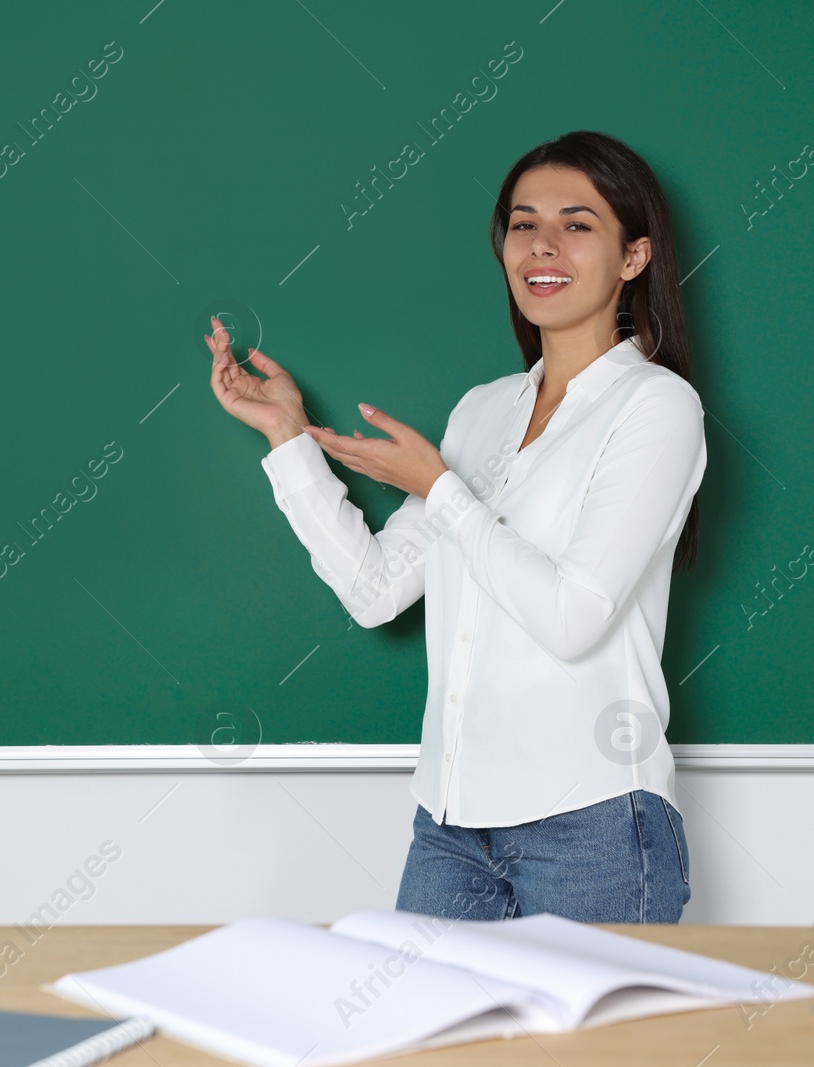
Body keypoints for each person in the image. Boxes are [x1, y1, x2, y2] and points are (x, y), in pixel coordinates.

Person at [206, 130, 707, 923]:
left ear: (634, 258)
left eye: (577, 224)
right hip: (449, 821)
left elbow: (573, 617)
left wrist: (439, 488)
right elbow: (376, 591)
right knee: (420, 1045)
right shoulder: (481, 411)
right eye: (522, 222)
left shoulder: (656, 407)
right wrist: (289, 440)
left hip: (595, 822)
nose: (542, 244)